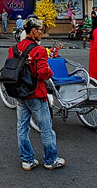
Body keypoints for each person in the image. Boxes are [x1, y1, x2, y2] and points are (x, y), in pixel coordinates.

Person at [8, 18, 63, 171]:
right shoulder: (39, 50)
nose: (42, 33)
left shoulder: (14, 48)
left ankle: (27, 160)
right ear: (33, 30)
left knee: (22, 127)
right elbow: (43, 73)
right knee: (46, 128)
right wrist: (51, 72)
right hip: (36, 93)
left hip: (19, 92)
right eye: (40, 30)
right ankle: (50, 160)